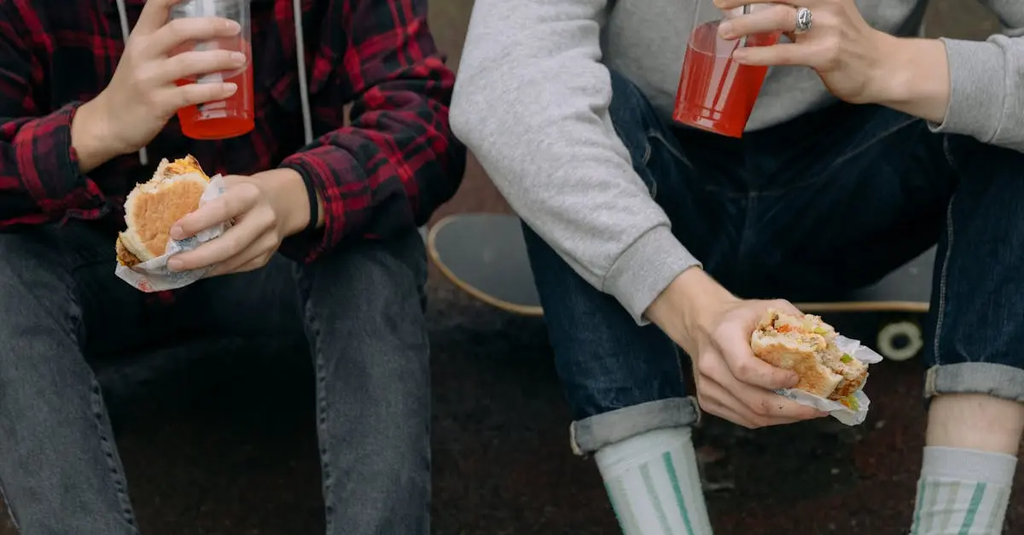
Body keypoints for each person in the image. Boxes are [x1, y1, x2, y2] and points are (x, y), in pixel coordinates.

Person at [451, 0, 1023, 533]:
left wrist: (888, 64)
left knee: (990, 102)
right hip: (658, 188)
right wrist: (692, 309)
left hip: (858, 190)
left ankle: (958, 523)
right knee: (554, 121)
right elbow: (507, 80)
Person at [0, 0, 464, 533]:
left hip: (274, 253)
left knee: (367, 228)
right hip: (96, 264)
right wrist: (97, 126)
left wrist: (297, 195)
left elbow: (426, 114)